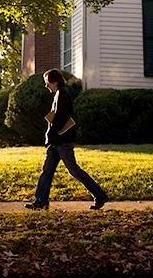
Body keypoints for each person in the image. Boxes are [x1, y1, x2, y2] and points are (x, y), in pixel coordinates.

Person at [25, 68, 109, 210]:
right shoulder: (59, 95)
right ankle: (41, 200)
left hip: (62, 142)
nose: (46, 86)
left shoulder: (63, 95)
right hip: (57, 142)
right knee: (47, 170)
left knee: (74, 170)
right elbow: (57, 118)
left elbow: (62, 119)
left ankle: (100, 195)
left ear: (55, 81)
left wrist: (51, 134)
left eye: (47, 82)